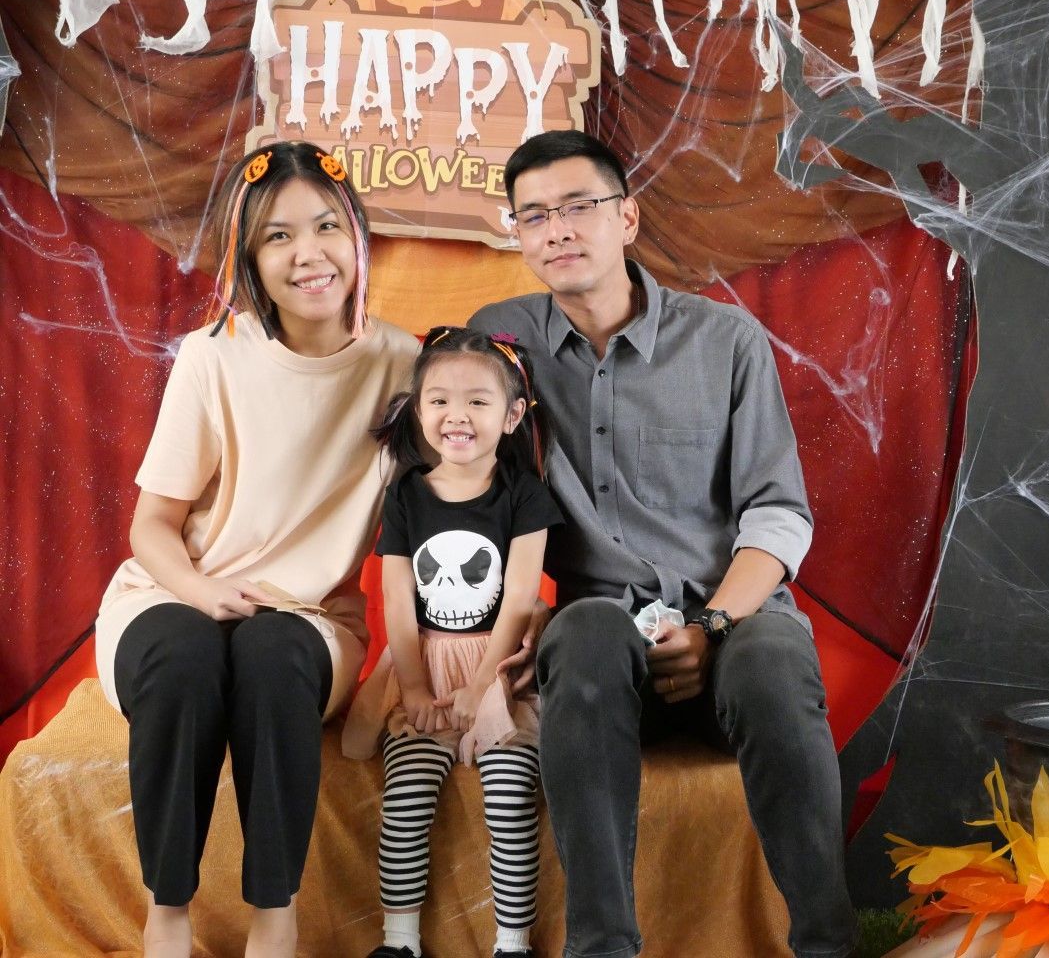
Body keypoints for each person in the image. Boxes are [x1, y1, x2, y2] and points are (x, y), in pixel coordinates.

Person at [469, 129, 859, 958]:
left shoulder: (724, 341)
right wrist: (513, 609)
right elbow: (467, 486)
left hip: (729, 623)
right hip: (605, 650)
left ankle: (828, 944)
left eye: (578, 206)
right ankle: (602, 947)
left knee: (772, 659)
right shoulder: (501, 344)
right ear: (518, 234)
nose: (557, 230)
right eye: (533, 215)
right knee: (584, 628)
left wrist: (711, 626)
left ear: (628, 218)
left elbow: (778, 514)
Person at [94, 141, 419, 958]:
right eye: (279, 236)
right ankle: (167, 913)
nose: (309, 253)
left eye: (326, 227)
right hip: (175, 594)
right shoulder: (213, 356)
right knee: (186, 655)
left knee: (272, 656)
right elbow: (151, 527)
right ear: (249, 257)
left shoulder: (406, 366)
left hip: (307, 619)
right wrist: (203, 594)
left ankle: (276, 917)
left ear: (358, 237)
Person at [342, 327, 562, 958]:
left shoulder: (525, 496)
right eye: (439, 400)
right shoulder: (407, 493)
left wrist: (483, 684)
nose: (456, 416)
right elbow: (396, 597)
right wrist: (413, 687)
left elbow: (519, 598)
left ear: (512, 416)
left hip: (498, 669)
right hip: (425, 666)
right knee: (405, 802)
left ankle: (512, 943)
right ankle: (400, 940)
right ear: (418, 410)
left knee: (511, 801)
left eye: (477, 402)